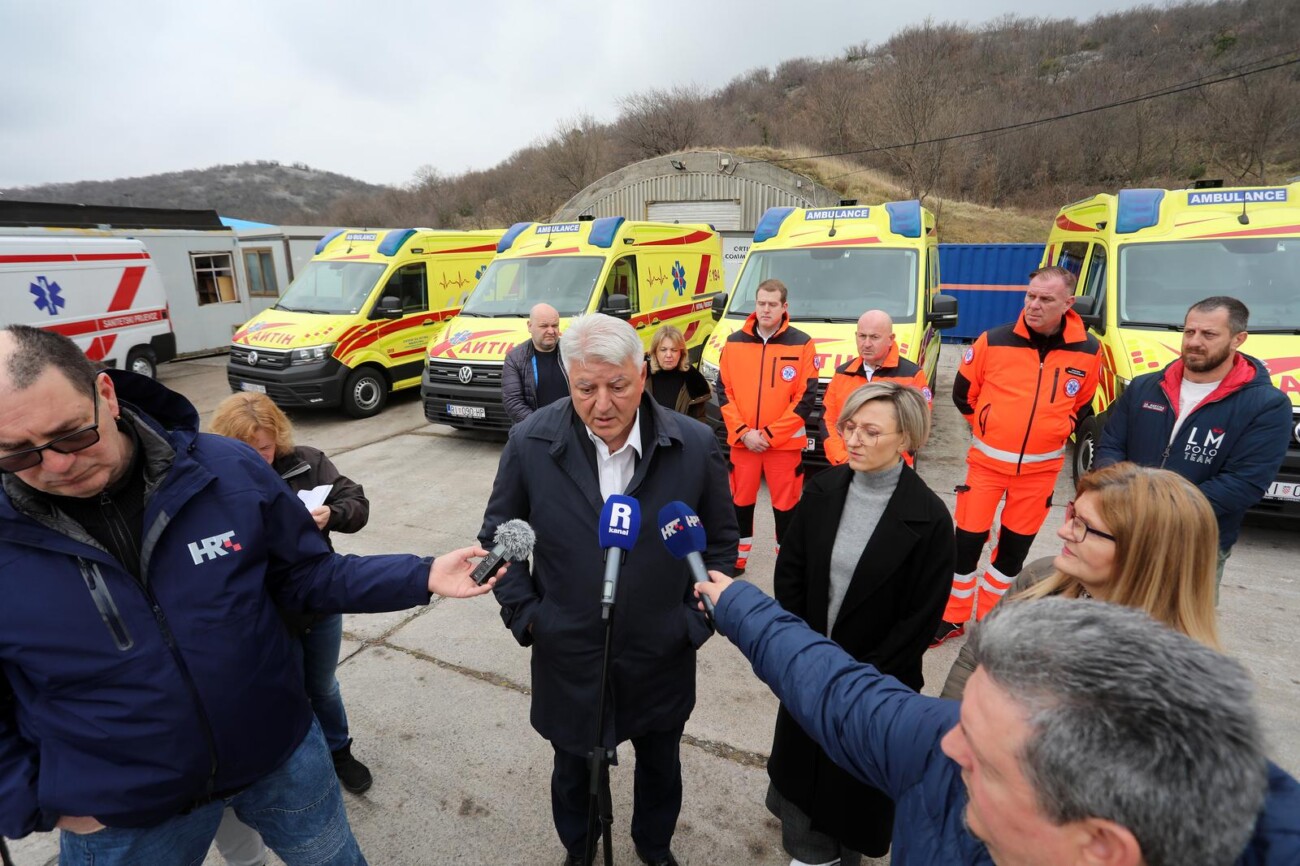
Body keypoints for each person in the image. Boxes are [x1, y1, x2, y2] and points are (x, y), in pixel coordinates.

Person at [0, 325, 498, 866]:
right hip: (127, 813)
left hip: (281, 760)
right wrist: (29, 804)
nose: (56, 465)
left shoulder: (226, 470)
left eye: (72, 435)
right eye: (16, 455)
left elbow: (307, 576)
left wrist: (421, 574)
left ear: (107, 394)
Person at [694, 578, 1300, 865]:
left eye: (980, 756)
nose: (945, 742)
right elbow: (842, 695)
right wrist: (742, 607)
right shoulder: (948, 750)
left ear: (1100, 848)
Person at [480, 313, 738, 866]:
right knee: (572, 770)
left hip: (660, 650)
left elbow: (719, 546)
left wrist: (693, 625)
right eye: (585, 388)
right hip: (568, 651)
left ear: (642, 375)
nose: (602, 403)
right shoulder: (530, 441)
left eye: (617, 385)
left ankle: (653, 845)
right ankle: (580, 846)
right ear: (568, 379)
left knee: (661, 764)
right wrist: (531, 618)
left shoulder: (693, 444)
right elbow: (500, 539)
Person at [766, 382, 953, 866]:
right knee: (805, 791)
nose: (854, 440)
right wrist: (802, 655)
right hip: (809, 673)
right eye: (850, 427)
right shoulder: (824, 488)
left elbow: (920, 620)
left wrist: (855, 681)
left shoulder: (930, 519)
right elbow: (790, 576)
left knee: (850, 798)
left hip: (873, 687)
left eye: (871, 431)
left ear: (905, 439)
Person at [207, 393, 373, 866]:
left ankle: (339, 752)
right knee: (286, 695)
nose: (258, 456)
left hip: (317, 605)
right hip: (264, 616)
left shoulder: (307, 463)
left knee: (322, 685)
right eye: (247, 447)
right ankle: (302, 772)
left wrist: (331, 514)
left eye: (264, 446)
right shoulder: (215, 479)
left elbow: (355, 501)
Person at [941, 461, 1221, 701]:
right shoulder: (1040, 579)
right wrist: (950, 733)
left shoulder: (1178, 683)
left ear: (1144, 552)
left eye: (1084, 526)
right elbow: (974, 660)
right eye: (1072, 514)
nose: (1064, 531)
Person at [933, 266, 1101, 645]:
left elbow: (1083, 403)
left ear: (1068, 303)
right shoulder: (993, 341)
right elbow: (963, 394)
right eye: (1030, 296)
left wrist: (1057, 427)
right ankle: (953, 616)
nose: (1034, 305)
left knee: (1011, 553)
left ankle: (994, 620)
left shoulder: (1089, 350)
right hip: (987, 467)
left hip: (1039, 475)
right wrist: (988, 426)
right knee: (965, 546)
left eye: (1045, 299)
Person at [1094, 296, 1291, 599]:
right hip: (1123, 531)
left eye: (1209, 334)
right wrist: (1121, 501)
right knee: (1106, 625)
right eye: (1189, 332)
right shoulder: (1145, 386)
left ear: (1238, 339)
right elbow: (1111, 445)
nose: (1194, 342)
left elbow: (1244, 482)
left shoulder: (1267, 405)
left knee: (1173, 637)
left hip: (1194, 545)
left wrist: (1155, 511)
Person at [717, 279, 817, 572]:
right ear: (755, 304)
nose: (766, 309)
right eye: (761, 303)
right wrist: (744, 433)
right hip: (743, 443)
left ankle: (787, 564)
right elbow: (725, 393)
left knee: (786, 508)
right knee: (739, 504)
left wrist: (770, 435)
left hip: (783, 447)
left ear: (785, 307)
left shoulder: (802, 343)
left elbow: (805, 398)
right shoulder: (734, 343)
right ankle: (736, 560)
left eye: (772, 304)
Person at [820, 309, 930, 467]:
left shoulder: (912, 376)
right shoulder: (842, 373)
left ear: (891, 339)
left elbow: (917, 428)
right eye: (862, 336)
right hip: (846, 464)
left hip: (891, 470)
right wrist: (841, 458)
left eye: (874, 337)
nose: (866, 344)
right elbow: (827, 420)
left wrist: (881, 463)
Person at [502, 302, 567, 424]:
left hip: (571, 429)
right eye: (544, 326)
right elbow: (513, 402)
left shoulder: (572, 351)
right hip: (535, 432)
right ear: (529, 326)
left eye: (555, 325)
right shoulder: (515, 358)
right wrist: (540, 426)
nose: (551, 331)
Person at [644, 324, 711, 420]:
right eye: (663, 350)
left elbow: (699, 422)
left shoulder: (694, 382)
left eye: (674, 350)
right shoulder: (643, 377)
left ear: (681, 353)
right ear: (655, 352)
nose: (668, 355)